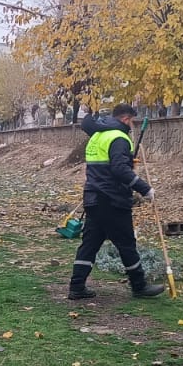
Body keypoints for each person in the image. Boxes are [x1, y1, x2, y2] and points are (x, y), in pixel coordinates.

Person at [69, 104, 165, 300]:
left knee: (89, 244)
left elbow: (107, 165)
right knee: (126, 243)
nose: (132, 125)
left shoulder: (97, 136)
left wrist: (127, 163)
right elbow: (119, 169)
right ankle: (139, 286)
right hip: (113, 200)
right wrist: (145, 189)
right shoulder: (119, 138)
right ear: (125, 119)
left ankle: (76, 286)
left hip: (93, 198)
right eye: (132, 121)